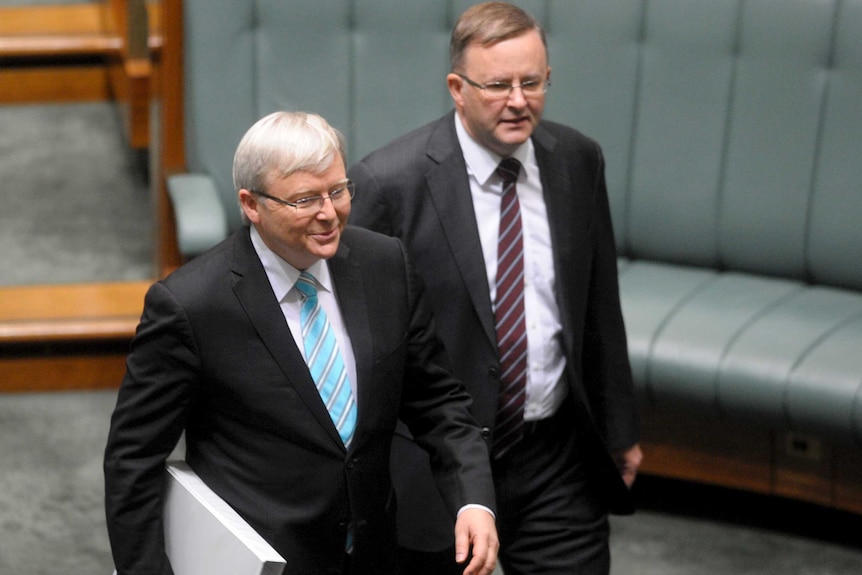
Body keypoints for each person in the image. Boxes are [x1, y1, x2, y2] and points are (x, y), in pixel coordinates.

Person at [104, 111, 499, 575]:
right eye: (306, 199)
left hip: (376, 555)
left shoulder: (386, 266)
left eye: (338, 190)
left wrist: (474, 500)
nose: (330, 213)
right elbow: (133, 461)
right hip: (260, 562)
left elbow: (439, 403)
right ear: (252, 204)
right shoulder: (190, 306)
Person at [347, 3, 642, 574]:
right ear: (457, 87)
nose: (518, 100)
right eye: (498, 84)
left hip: (555, 454)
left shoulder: (578, 161)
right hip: (438, 469)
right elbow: (359, 343)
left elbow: (599, 305)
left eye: (532, 82)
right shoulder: (388, 184)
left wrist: (621, 427)